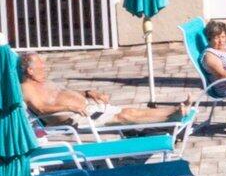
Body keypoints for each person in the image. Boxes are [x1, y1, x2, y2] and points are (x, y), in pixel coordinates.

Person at [15, 51, 185, 126]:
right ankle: (171, 118)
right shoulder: (27, 89)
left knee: (128, 110)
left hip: (87, 109)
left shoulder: (42, 81)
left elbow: (63, 93)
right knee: (125, 116)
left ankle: (174, 110)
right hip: (78, 119)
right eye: (40, 67)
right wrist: (69, 107)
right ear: (29, 71)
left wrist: (88, 93)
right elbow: (42, 108)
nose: (44, 68)